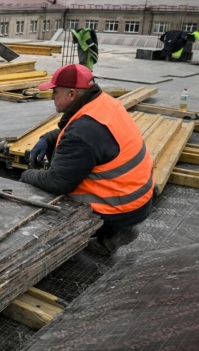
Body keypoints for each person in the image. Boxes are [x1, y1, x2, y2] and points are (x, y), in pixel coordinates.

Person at [20, 64, 154, 255]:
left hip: (119, 208)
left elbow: (58, 182)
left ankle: (103, 237)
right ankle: (118, 231)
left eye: (55, 92)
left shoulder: (82, 131)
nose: (52, 97)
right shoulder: (104, 103)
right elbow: (90, 136)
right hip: (138, 198)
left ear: (72, 95)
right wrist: (48, 139)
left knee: (42, 193)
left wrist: (27, 176)